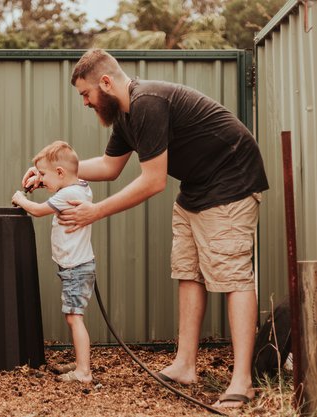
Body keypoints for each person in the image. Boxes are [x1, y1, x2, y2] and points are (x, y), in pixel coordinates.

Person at [22, 49, 268, 409]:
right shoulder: (124, 118)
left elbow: (152, 182)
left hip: (232, 182)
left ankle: (242, 382)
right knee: (188, 272)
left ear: (105, 83)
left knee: (232, 276)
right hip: (196, 188)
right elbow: (108, 167)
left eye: (86, 94)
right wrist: (49, 176)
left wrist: (95, 211)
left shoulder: (148, 104)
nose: (86, 103)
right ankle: (185, 364)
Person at [12, 140, 95, 384]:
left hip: (75, 268)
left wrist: (20, 198)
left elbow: (37, 210)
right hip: (78, 266)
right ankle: (81, 362)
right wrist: (42, 178)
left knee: (74, 317)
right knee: (73, 315)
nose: (41, 178)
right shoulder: (80, 187)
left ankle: (84, 372)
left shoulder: (68, 193)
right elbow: (60, 186)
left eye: (44, 174)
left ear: (60, 173)